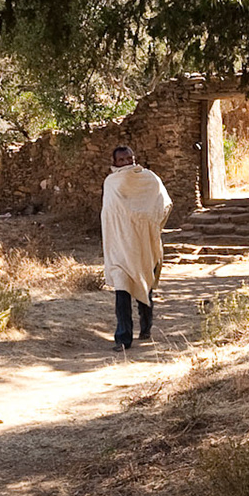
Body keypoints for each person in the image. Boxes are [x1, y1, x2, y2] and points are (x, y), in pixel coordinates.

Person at [100, 144, 172, 350]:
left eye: (129, 158)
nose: (127, 162)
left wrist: (149, 223)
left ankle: (146, 326)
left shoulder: (148, 179)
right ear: (114, 162)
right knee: (122, 291)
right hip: (119, 245)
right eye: (122, 160)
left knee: (143, 283)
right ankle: (123, 338)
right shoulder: (111, 182)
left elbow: (163, 203)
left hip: (141, 242)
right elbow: (110, 213)